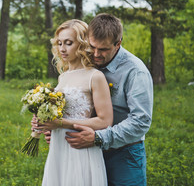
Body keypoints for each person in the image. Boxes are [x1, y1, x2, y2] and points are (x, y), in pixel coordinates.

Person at [40, 13, 154, 186]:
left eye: (103, 50)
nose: (96, 54)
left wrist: (98, 138)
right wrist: (54, 128)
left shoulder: (135, 71)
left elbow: (141, 121)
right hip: (85, 148)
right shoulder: (87, 65)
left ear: (118, 44)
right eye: (92, 47)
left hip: (123, 151)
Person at [34, 19, 113, 186]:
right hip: (58, 147)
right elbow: (58, 114)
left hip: (80, 146)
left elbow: (105, 121)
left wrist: (61, 124)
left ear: (82, 44)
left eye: (69, 43)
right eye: (60, 43)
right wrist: (42, 119)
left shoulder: (95, 76)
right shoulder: (62, 76)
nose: (62, 48)